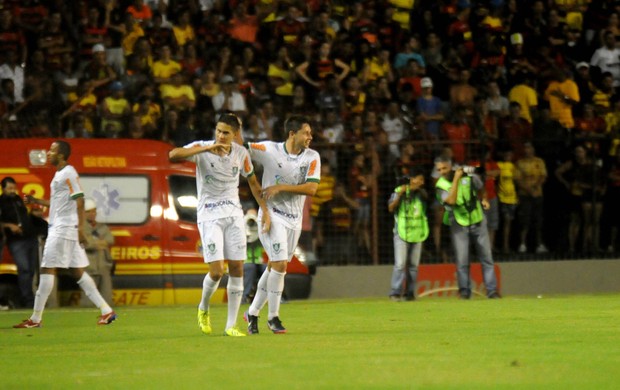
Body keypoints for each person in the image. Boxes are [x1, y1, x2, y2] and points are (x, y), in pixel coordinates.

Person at [168, 113, 270, 337]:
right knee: (216, 271)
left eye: (226, 132)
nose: (221, 136)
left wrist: (265, 210)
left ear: (235, 135)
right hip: (209, 215)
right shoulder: (202, 148)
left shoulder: (241, 154)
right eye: (219, 131)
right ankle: (203, 307)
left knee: (237, 268)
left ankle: (231, 325)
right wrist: (204, 150)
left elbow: (253, 182)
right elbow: (173, 155)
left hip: (233, 215)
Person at [14, 140, 116, 328]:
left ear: (61, 155)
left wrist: (80, 230)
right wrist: (37, 200)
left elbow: (80, 200)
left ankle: (35, 319)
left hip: (62, 229)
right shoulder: (60, 174)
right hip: (64, 228)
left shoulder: (68, 173)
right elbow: (60, 203)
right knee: (77, 271)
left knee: (47, 269)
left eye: (52, 150)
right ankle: (106, 311)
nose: (48, 153)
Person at [244, 115, 320, 335]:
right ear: (292, 134)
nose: (310, 137)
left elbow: (312, 189)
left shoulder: (312, 156)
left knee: (273, 269)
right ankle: (273, 317)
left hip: (293, 220)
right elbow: (242, 147)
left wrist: (281, 187)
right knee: (279, 265)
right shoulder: (269, 150)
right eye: (306, 133)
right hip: (271, 215)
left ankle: (252, 312)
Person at [434, 155, 501, 299]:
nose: (442, 172)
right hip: (459, 223)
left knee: (486, 257)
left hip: (477, 219)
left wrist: (484, 199)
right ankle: (465, 292)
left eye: (444, 168)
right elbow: (451, 201)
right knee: (462, 260)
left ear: (451, 166)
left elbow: (481, 188)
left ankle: (492, 291)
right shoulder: (440, 186)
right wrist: (457, 179)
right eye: (439, 169)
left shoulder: (469, 176)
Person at [388, 169, 429, 302]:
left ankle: (410, 293)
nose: (420, 182)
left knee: (413, 266)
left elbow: (427, 200)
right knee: (400, 264)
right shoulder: (399, 190)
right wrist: (400, 194)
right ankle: (395, 292)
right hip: (402, 233)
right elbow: (391, 207)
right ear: (411, 179)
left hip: (417, 233)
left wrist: (414, 190)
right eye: (418, 179)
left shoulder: (422, 195)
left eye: (422, 180)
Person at [0, 176, 39, 307]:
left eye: (14, 188)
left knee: (32, 270)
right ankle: (28, 300)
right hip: (15, 241)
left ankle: (30, 298)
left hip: (30, 238)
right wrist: (9, 226)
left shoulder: (18, 200)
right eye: (9, 188)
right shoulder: (1, 203)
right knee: (24, 269)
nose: (12, 191)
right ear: (3, 188)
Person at [81, 198, 114, 306]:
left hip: (103, 265)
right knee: (88, 299)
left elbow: (110, 240)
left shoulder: (102, 227)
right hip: (88, 266)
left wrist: (94, 243)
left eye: (94, 211)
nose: (92, 214)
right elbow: (85, 243)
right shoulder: (80, 228)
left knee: (107, 296)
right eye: (88, 211)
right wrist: (98, 243)